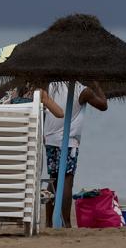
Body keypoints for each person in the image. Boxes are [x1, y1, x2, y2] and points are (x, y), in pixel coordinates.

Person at [43, 80, 109, 228]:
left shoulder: (51, 85)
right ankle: (66, 222)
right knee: (67, 179)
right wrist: (97, 85)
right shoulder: (83, 91)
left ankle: (48, 222)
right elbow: (103, 105)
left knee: (53, 179)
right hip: (68, 141)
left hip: (50, 139)